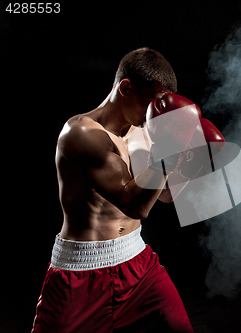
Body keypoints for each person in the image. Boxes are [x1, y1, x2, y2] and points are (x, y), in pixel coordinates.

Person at [32, 48, 200, 332]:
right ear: (126, 88)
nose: (155, 115)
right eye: (153, 103)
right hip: (81, 272)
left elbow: (167, 194)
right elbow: (134, 205)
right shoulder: (82, 133)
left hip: (138, 263)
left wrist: (190, 157)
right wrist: (167, 153)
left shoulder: (146, 132)